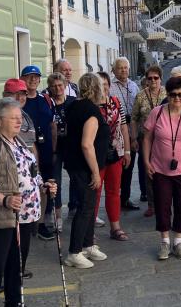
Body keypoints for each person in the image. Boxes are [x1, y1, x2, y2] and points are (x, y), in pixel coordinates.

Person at [0, 98, 57, 305]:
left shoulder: (19, 141)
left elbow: (31, 173)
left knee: (17, 267)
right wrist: (4, 200)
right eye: (13, 118)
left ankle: (14, 303)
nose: (19, 122)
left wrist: (43, 186)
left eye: (20, 117)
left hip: (23, 216)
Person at [142, 77, 181, 260]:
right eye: (173, 95)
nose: (177, 98)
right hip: (160, 168)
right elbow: (147, 138)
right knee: (162, 205)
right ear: (167, 95)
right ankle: (164, 242)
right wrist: (146, 162)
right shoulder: (157, 113)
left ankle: (178, 241)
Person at [63, 73, 110, 268]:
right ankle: (74, 252)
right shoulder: (91, 111)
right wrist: (96, 172)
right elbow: (86, 145)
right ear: (96, 89)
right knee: (85, 208)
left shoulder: (73, 105)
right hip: (85, 168)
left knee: (89, 207)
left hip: (76, 165)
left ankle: (88, 244)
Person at [20, 65, 57, 237]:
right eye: (29, 77)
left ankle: (42, 222)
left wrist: (55, 148)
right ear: (22, 79)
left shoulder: (45, 99)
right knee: (29, 185)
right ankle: (28, 221)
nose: (33, 80)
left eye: (36, 77)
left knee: (46, 186)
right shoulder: (20, 101)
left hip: (47, 150)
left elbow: (52, 125)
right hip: (27, 153)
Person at [95, 72, 132, 240]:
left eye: (105, 84)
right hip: (96, 156)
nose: (103, 88)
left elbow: (123, 127)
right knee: (94, 192)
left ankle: (115, 227)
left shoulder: (116, 103)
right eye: (99, 84)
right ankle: (89, 231)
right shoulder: (91, 106)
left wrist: (127, 151)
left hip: (115, 154)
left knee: (114, 191)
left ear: (110, 86)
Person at [132, 66, 166, 217]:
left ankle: (165, 203)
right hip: (146, 138)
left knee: (165, 171)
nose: (152, 80)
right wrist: (133, 138)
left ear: (160, 78)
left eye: (156, 78)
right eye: (150, 78)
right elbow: (134, 119)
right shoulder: (140, 96)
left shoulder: (167, 93)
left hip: (165, 139)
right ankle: (152, 204)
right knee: (149, 171)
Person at [110, 57, 142, 211]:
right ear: (114, 70)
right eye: (120, 68)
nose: (123, 70)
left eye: (125, 68)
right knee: (117, 167)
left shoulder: (134, 86)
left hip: (131, 131)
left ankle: (125, 198)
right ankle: (115, 197)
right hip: (116, 133)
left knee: (129, 166)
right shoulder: (110, 87)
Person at [45, 72, 75, 232]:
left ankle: (74, 208)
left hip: (70, 147)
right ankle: (57, 216)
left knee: (75, 178)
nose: (57, 88)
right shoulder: (47, 102)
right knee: (54, 181)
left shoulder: (72, 102)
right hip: (54, 148)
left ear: (65, 86)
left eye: (60, 85)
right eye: (54, 86)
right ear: (50, 87)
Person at [0, 79, 38, 152]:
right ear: (4, 95)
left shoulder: (26, 118)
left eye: (22, 94)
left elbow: (31, 146)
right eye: (14, 94)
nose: (19, 98)